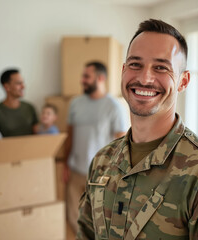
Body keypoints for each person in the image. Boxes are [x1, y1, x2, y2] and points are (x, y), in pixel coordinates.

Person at [77, 19, 198, 240]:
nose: (144, 78)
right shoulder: (102, 161)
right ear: (123, 71)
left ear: (183, 81)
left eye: (161, 67)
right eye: (135, 64)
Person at [65, 61, 129, 233]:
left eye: (86, 76)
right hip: (76, 172)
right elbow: (70, 137)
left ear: (100, 78)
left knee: (99, 222)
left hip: (102, 175)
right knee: (74, 218)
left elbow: (122, 143)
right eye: (83, 76)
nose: (82, 80)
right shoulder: (75, 103)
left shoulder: (115, 107)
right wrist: (65, 164)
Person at [0, 69, 38, 137]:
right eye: (19, 83)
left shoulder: (29, 107)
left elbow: (37, 133)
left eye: (23, 83)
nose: (23, 87)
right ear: (7, 87)